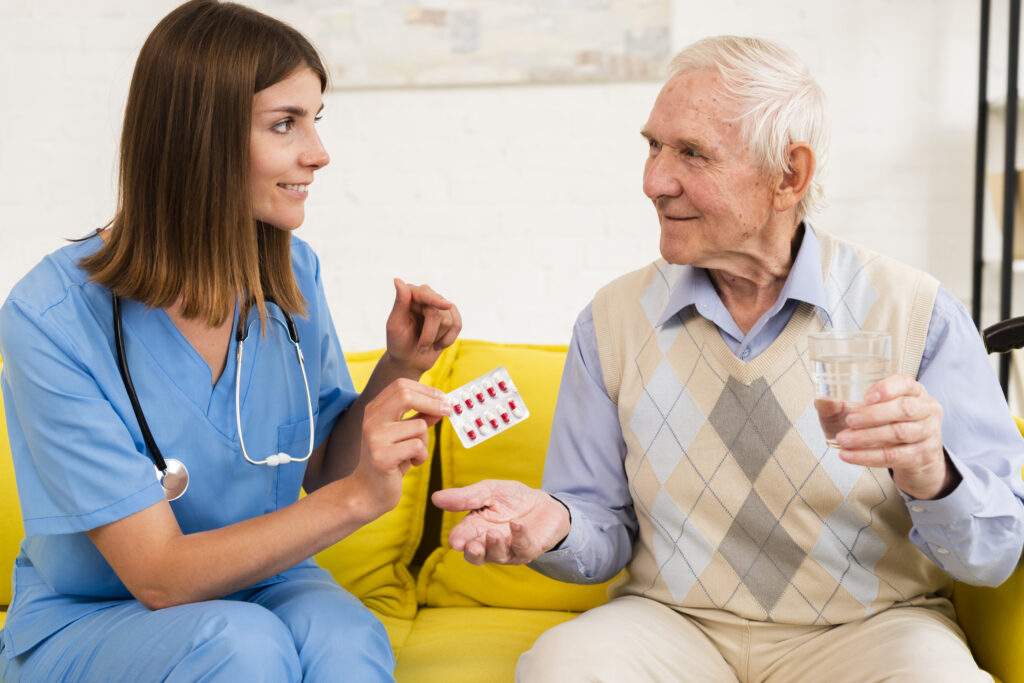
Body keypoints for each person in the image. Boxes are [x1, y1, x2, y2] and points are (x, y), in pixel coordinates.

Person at [434, 36, 1024, 682]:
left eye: (691, 152)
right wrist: (554, 525)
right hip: (674, 623)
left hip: (870, 627)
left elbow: (994, 553)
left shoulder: (917, 313)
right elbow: (601, 531)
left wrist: (931, 472)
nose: (654, 181)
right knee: (561, 667)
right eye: (653, 146)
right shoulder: (611, 321)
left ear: (789, 176)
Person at [0, 1, 459, 680]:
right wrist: (358, 499)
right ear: (200, 138)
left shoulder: (290, 273)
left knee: (346, 641)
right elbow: (158, 575)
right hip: (99, 611)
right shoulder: (51, 316)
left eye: (315, 120)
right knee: (238, 645)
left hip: (266, 580)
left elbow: (323, 465)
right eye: (285, 124)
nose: (319, 153)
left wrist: (398, 366)